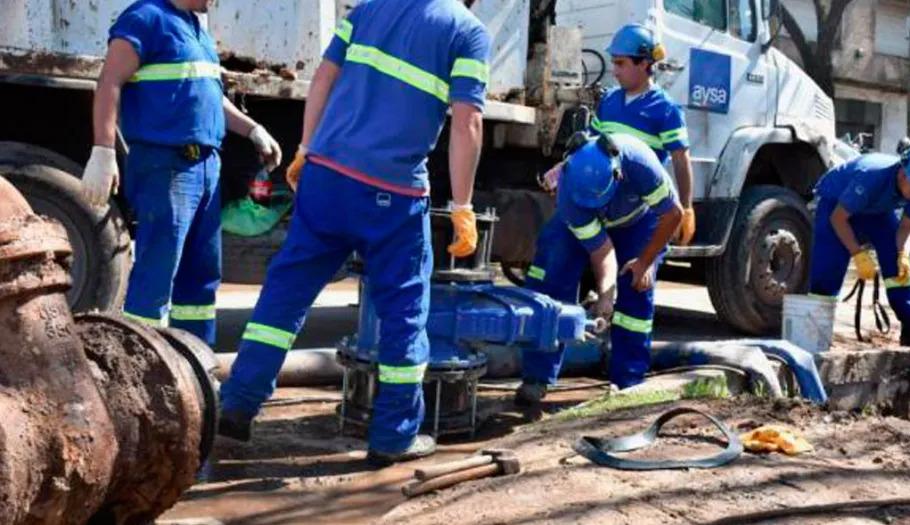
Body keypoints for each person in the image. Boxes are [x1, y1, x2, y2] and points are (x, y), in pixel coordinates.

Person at [218, 0, 491, 467]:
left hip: (326, 176)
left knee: (284, 296)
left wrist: (306, 147)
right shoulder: (467, 32)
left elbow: (323, 78)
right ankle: (393, 436)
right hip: (393, 195)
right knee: (403, 314)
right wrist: (462, 205)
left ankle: (238, 404)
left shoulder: (367, 9)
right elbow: (467, 122)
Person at [82, 0, 282, 346]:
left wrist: (252, 129)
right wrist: (102, 149)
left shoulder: (195, 28)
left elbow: (210, 93)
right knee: (157, 273)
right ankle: (142, 365)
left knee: (201, 278)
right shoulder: (145, 18)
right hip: (167, 166)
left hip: (206, 167)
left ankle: (195, 363)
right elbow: (109, 82)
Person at [516, 132, 683, 405]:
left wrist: (645, 261)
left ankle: (628, 384)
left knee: (636, 287)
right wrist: (606, 294)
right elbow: (601, 250)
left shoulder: (640, 164)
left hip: (639, 223)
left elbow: (672, 214)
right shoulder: (570, 194)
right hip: (587, 223)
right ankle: (537, 376)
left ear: (617, 175)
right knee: (551, 277)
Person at [542, 23, 695, 245]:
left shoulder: (666, 109)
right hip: (601, 202)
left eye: (620, 63)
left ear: (644, 63)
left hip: (638, 214)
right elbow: (590, 144)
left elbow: (681, 159)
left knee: (630, 277)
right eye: (614, 63)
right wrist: (562, 170)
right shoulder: (609, 101)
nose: (614, 70)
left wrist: (686, 207)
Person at [809, 142, 910, 350]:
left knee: (900, 265)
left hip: (878, 209)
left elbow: (907, 227)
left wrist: (904, 254)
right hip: (836, 203)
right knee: (829, 265)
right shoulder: (871, 176)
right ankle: (813, 332)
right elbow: (839, 219)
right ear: (902, 171)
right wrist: (858, 253)